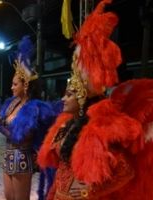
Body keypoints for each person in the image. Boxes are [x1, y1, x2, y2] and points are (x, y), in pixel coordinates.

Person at [37, 1, 153, 199]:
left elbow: (125, 170)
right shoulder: (66, 123)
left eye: (70, 93)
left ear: (82, 96)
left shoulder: (99, 127)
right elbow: (61, 169)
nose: (63, 99)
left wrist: (88, 192)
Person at [0, 36, 57, 200]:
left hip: (22, 159)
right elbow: (6, 125)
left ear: (25, 85)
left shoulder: (33, 108)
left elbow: (21, 138)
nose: (11, 87)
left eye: (14, 84)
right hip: (9, 157)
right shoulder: (12, 104)